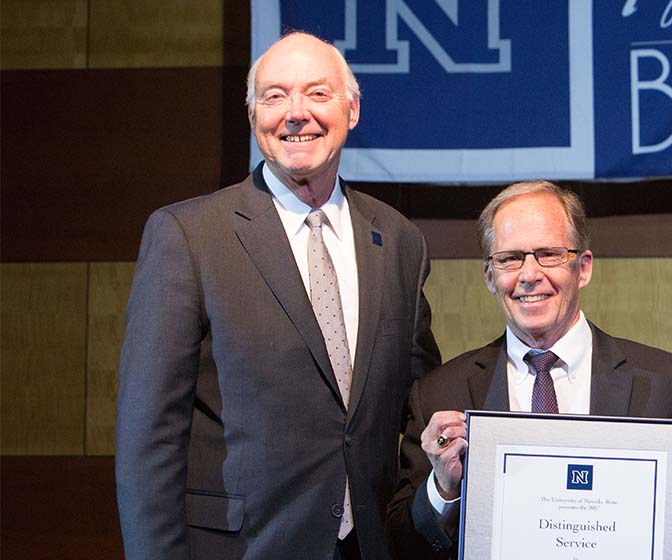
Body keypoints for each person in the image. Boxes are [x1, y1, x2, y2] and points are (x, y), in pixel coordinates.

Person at [115, 32, 441, 560]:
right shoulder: (189, 235)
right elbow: (147, 436)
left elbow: (414, 403)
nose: (295, 113)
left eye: (317, 94)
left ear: (352, 110)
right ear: (252, 115)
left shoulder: (398, 239)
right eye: (273, 96)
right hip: (238, 547)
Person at [386, 181, 672, 559]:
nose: (529, 274)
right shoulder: (439, 394)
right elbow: (399, 545)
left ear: (583, 267)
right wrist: (442, 490)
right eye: (509, 258)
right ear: (490, 276)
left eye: (549, 254)